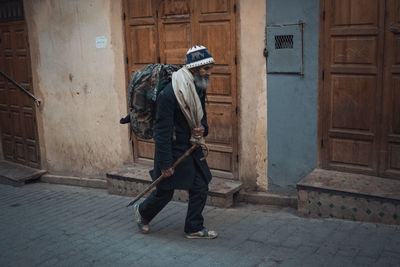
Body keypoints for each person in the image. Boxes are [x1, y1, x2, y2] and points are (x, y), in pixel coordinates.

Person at [134, 45, 217, 239]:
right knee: (165, 192)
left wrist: (202, 128)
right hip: (171, 149)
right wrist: (165, 164)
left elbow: (201, 117)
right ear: (194, 69)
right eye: (206, 69)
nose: (209, 73)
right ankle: (143, 212)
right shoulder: (169, 94)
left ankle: (194, 227)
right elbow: (161, 131)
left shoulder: (197, 87)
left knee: (201, 185)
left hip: (190, 145)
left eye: (210, 69)